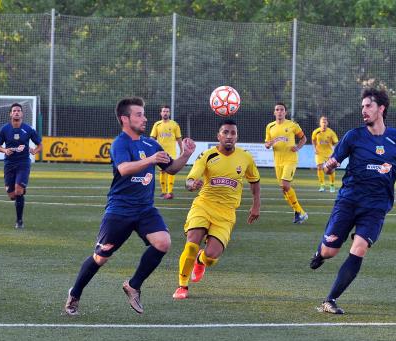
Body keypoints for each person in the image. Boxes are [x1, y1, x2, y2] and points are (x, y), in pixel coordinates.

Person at [64, 97, 196, 316]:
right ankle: (75, 293)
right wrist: (151, 160)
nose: (144, 118)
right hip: (120, 210)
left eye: (144, 114)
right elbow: (124, 169)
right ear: (125, 119)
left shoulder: (150, 144)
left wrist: (185, 154)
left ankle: (133, 286)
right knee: (101, 257)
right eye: (139, 114)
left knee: (163, 242)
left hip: (145, 209)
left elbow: (170, 169)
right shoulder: (120, 143)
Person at [309, 88, 396, 314]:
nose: (363, 110)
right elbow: (332, 163)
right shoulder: (353, 136)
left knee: (360, 247)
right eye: (362, 106)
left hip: (376, 205)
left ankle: (330, 300)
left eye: (368, 106)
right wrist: (328, 166)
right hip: (349, 201)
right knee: (330, 251)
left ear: (381, 108)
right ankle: (320, 252)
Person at [173, 118, 260, 300]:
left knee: (211, 257)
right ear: (218, 136)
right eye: (225, 132)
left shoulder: (245, 158)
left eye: (233, 133)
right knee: (191, 242)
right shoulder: (207, 155)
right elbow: (190, 179)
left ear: (237, 137)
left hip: (226, 212)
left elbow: (254, 182)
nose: (229, 136)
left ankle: (201, 260)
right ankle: (182, 286)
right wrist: (191, 184)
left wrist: (256, 205)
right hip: (204, 205)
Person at [0, 103, 42, 229]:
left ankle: (19, 221)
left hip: (23, 163)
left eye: (18, 111)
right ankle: (20, 190)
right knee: (12, 195)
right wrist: (5, 150)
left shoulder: (28, 129)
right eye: (14, 111)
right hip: (9, 164)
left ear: (22, 114)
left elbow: (40, 145)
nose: (16, 112)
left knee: (18, 191)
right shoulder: (5, 129)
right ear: (10, 113)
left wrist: (35, 151)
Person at [264, 102, 308, 224]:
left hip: (290, 159)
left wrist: (298, 147)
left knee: (285, 185)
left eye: (281, 109)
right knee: (284, 189)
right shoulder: (270, 127)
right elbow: (267, 143)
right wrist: (268, 144)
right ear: (274, 112)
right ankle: (298, 212)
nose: (279, 111)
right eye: (277, 109)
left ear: (285, 112)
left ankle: (301, 212)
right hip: (278, 161)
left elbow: (303, 138)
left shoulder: (292, 125)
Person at [150, 105, 183, 199]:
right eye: (164, 111)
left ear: (169, 113)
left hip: (171, 152)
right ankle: (164, 192)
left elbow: (179, 138)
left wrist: (181, 149)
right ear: (161, 113)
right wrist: (150, 149)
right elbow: (152, 138)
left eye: (167, 111)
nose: (165, 113)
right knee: (162, 171)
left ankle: (170, 192)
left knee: (171, 171)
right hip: (160, 152)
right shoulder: (157, 124)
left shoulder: (174, 124)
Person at [311, 116, 339, 192]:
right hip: (319, 153)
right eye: (322, 121)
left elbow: (336, 142)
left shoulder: (331, 132)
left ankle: (332, 185)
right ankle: (322, 185)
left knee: (331, 169)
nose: (324, 123)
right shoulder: (316, 132)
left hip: (329, 153)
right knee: (319, 167)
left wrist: (336, 151)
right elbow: (313, 140)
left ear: (327, 123)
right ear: (320, 123)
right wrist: (314, 148)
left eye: (325, 121)